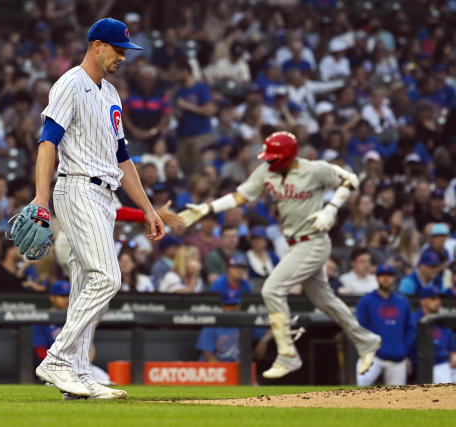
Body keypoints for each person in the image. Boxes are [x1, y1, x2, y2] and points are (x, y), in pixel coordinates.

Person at [31, 18, 164, 400]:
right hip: (77, 187)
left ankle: (79, 376)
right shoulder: (70, 83)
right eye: (119, 48)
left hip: (106, 194)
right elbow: (47, 143)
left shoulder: (111, 94)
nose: (124, 56)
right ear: (97, 46)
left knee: (87, 283)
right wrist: (41, 199)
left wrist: (149, 210)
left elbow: (124, 159)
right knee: (108, 278)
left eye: (126, 50)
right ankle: (57, 359)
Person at [180, 131, 381, 379]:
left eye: (275, 157)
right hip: (294, 243)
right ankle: (366, 340)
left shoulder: (314, 169)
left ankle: (288, 355)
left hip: (314, 241)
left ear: (289, 156)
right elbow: (241, 195)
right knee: (325, 300)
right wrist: (207, 208)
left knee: (271, 290)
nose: (270, 161)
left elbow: (351, 180)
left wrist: (330, 209)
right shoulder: (266, 172)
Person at [355, 263, 414, 386]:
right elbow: (361, 328)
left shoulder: (402, 302)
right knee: (361, 383)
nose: (385, 278)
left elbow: (410, 329)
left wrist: (405, 352)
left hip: (397, 357)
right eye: (382, 275)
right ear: (377, 278)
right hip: (374, 356)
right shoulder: (366, 301)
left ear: (394, 278)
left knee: (396, 400)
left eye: (389, 275)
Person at [170, 56, 216, 176]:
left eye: (176, 73)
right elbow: (177, 116)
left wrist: (187, 106)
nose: (173, 77)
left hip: (200, 136)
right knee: (185, 171)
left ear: (185, 70)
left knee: (201, 171)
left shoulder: (200, 88)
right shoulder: (178, 91)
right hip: (183, 137)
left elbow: (209, 110)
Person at [411, 287, 456, 383]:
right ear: (423, 301)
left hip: (448, 364)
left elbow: (451, 344)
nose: (437, 302)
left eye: (438, 298)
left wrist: (453, 353)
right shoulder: (414, 320)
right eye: (432, 299)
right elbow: (411, 346)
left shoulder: (441, 318)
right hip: (432, 366)